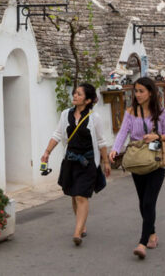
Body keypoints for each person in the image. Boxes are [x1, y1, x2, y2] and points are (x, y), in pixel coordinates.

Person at [108, 76, 165, 260]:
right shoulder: (130, 112)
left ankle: (142, 243)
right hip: (138, 160)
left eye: (141, 91)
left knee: (149, 202)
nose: (137, 94)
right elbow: (122, 133)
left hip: (156, 161)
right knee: (142, 200)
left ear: (150, 92)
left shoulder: (161, 113)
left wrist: (157, 136)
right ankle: (152, 233)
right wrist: (115, 150)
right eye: (135, 91)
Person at [41, 83, 111, 246]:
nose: (75, 96)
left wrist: (105, 161)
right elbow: (58, 134)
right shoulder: (66, 114)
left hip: (87, 163)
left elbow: (101, 141)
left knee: (81, 195)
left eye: (79, 94)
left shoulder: (95, 118)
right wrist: (47, 152)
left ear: (87, 100)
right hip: (71, 160)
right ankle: (82, 224)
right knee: (74, 194)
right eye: (75, 93)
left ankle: (77, 232)